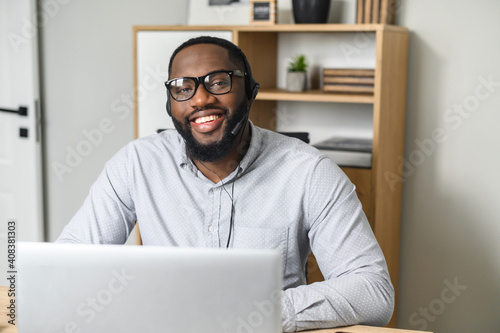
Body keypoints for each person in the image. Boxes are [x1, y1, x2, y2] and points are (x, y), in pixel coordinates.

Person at [57, 36, 394, 332]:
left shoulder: (310, 172)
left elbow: (373, 291)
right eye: (183, 88)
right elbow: (68, 262)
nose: (200, 99)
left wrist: (253, 314)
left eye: (218, 82)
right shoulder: (137, 163)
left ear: (250, 92)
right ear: (171, 105)